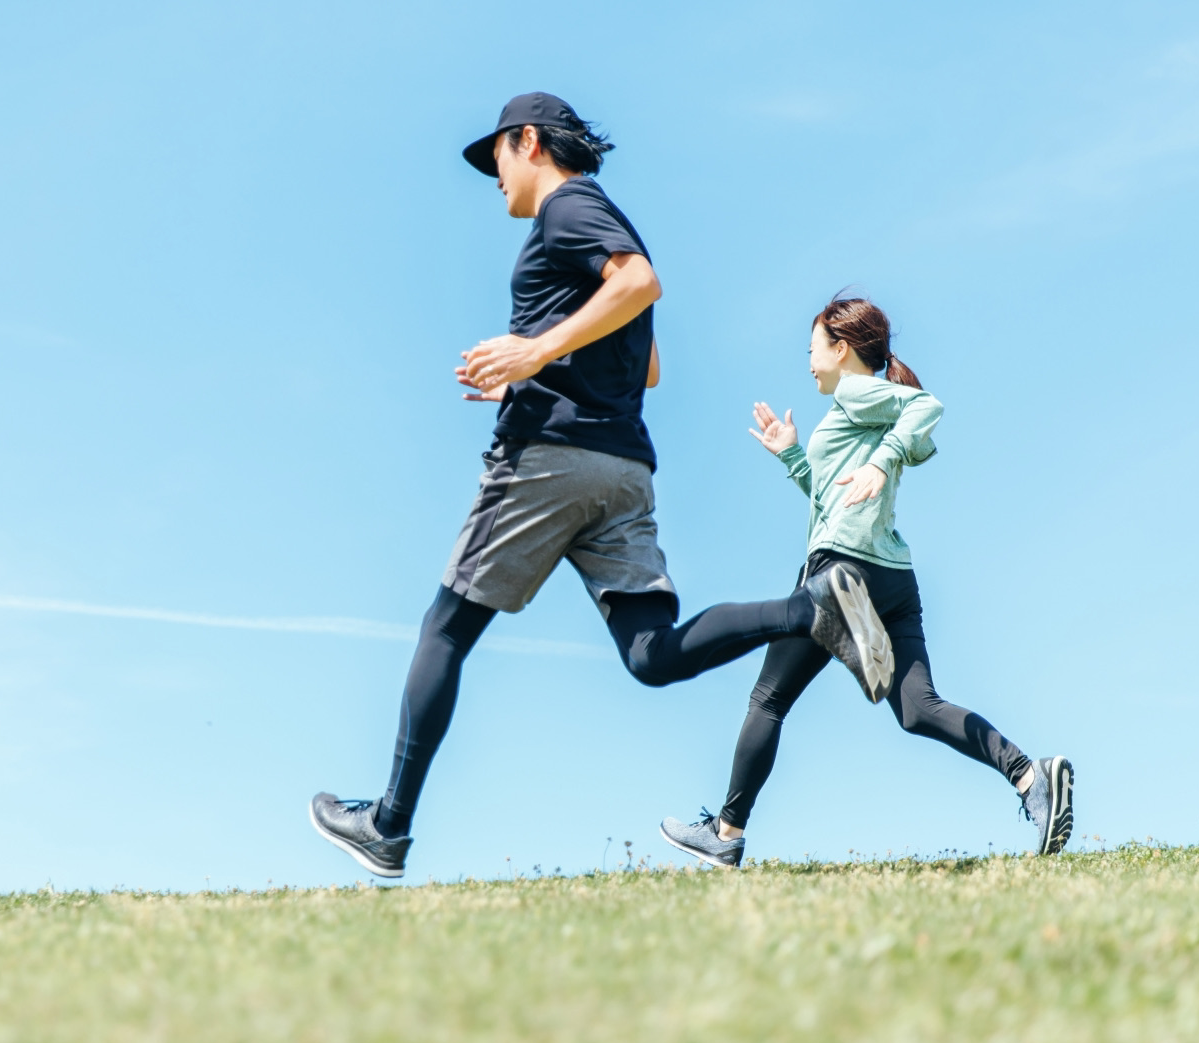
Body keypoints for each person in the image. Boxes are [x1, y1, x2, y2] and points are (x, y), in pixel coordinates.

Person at [309, 94, 894, 878]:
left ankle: (388, 823)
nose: (495, 180)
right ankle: (810, 607)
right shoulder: (601, 224)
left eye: (499, 160)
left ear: (530, 143)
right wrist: (537, 366)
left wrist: (529, 356)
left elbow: (640, 282)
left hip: (547, 459)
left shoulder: (570, 209)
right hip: (622, 469)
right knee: (651, 655)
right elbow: (645, 364)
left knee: (445, 628)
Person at [659, 294, 1074, 868]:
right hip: (892, 577)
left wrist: (882, 463)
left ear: (841, 348)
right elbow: (836, 498)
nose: (808, 361)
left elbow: (927, 406)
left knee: (769, 698)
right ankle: (1031, 778)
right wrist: (793, 458)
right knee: (917, 706)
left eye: (812, 348)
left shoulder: (859, 393)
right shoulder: (858, 411)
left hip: (840, 570)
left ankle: (726, 833)